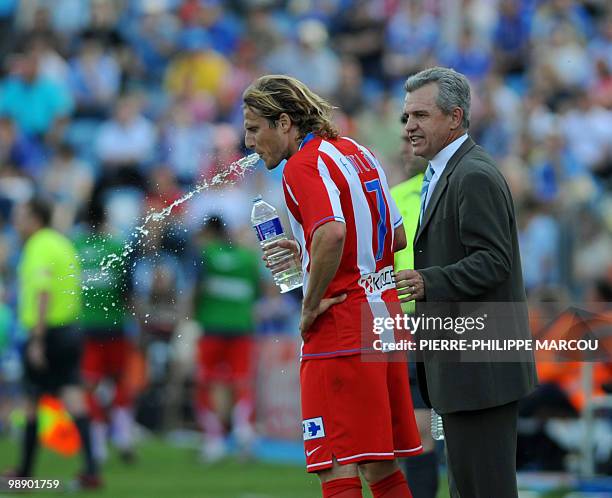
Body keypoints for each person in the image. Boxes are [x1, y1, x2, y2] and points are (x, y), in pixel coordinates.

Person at [243, 75, 422, 498]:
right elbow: (394, 238)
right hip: (384, 321)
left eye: (254, 127)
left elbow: (333, 233)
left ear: (284, 122)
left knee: (336, 463)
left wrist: (312, 301)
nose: (249, 141)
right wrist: (307, 249)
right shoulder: (359, 151)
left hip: (341, 325)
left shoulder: (302, 166)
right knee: (380, 466)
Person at [395, 67, 538, 498]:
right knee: (467, 488)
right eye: (406, 117)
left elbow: (495, 261)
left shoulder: (472, 174)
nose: (410, 126)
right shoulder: (446, 171)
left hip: (481, 369)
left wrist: (428, 281)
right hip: (461, 365)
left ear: (454, 117)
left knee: (484, 489)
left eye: (420, 115)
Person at [8, 198, 101, 488]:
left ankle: (24, 474)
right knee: (72, 396)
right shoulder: (62, 243)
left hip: (46, 332)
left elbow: (42, 292)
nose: (16, 222)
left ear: (35, 219)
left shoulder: (38, 246)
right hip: (70, 329)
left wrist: (36, 339)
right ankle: (91, 469)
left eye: (21, 216)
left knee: (31, 401)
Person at [390, 113, 438, 498]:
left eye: (412, 140)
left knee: (439, 427)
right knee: (411, 428)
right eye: (403, 141)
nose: (405, 148)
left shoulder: (450, 187)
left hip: (446, 319)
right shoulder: (395, 196)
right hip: (401, 321)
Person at [192, 215, 261, 462]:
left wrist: (191, 315)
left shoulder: (206, 255)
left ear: (210, 232)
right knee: (242, 381)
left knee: (206, 382)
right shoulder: (247, 258)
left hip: (211, 327)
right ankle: (244, 431)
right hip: (242, 327)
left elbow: (195, 289)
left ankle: (214, 441)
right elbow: (256, 292)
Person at [74, 200, 135, 464]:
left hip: (86, 326)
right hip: (115, 325)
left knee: (90, 384)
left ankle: (97, 445)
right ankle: (123, 436)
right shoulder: (117, 246)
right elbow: (127, 291)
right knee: (119, 380)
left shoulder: (74, 248)